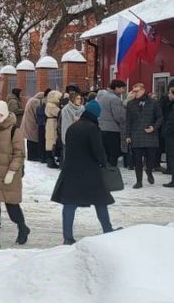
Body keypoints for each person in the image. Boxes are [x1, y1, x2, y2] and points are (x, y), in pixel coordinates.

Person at [51, 99, 117, 245]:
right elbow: (98, 151)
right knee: (100, 201)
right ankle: (107, 229)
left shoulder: (73, 127)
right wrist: (104, 163)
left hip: (71, 170)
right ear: (96, 114)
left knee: (70, 204)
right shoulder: (93, 128)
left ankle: (67, 237)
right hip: (90, 172)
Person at [0, 99, 30, 249]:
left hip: (8, 176)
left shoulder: (15, 131)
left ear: (6, 114)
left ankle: (22, 227)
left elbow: (19, 154)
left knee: (12, 207)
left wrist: (12, 172)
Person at [124, 83, 162, 188]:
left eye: (136, 91)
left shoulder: (154, 103)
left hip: (150, 134)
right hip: (136, 134)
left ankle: (149, 171)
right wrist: (127, 135)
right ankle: (139, 181)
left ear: (143, 90)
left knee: (150, 159)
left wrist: (154, 127)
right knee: (137, 160)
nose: (134, 93)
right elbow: (128, 121)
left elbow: (160, 118)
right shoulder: (130, 104)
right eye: (133, 91)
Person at [96, 80, 128, 168]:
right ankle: (111, 174)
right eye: (122, 88)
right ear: (117, 88)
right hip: (112, 130)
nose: (123, 91)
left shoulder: (102, 97)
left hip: (102, 129)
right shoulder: (115, 99)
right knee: (113, 155)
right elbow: (118, 116)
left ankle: (104, 174)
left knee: (105, 155)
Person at [22, 91, 43, 162]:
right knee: (33, 140)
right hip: (32, 123)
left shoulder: (31, 100)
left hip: (28, 122)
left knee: (30, 140)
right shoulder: (36, 102)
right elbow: (37, 112)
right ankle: (32, 156)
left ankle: (31, 156)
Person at [43, 90, 62, 169]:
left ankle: (50, 160)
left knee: (50, 140)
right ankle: (51, 161)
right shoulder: (51, 105)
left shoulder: (49, 104)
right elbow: (59, 113)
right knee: (51, 140)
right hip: (52, 123)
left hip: (51, 122)